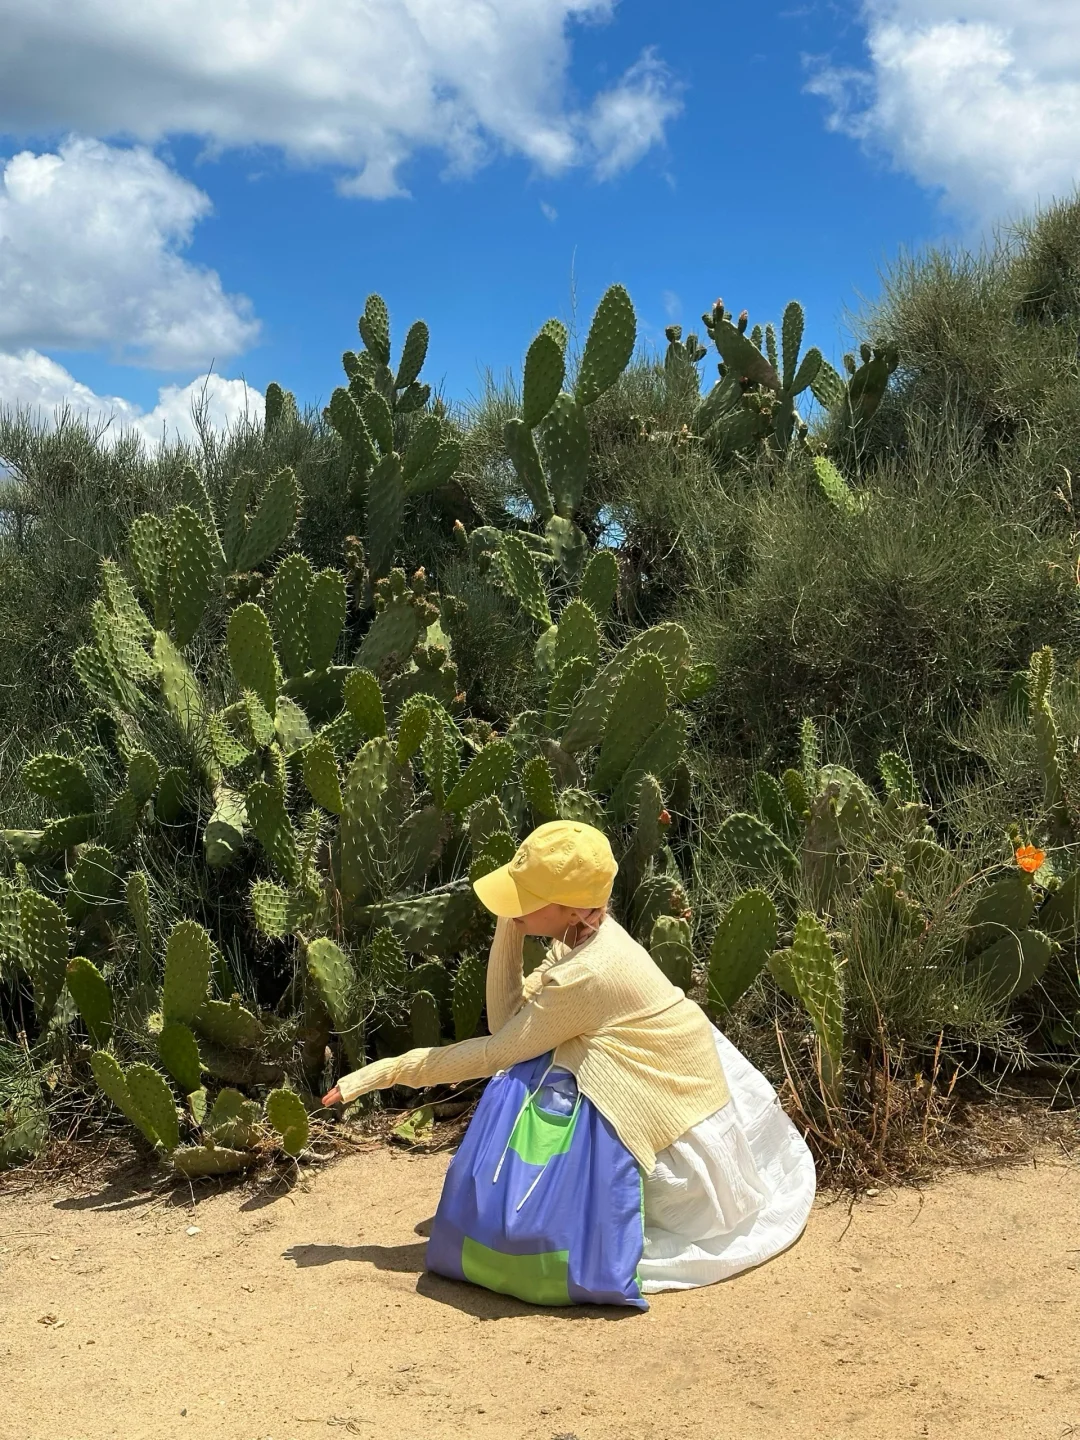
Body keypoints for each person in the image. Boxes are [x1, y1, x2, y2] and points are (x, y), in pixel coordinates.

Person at [322, 820, 816, 1292]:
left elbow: (497, 1050)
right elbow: (506, 1019)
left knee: (533, 1065)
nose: (513, 904)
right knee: (542, 1056)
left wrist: (383, 1073)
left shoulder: (588, 974)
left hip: (684, 1169)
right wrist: (512, 921)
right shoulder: (583, 937)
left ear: (574, 909)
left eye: (527, 897)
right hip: (678, 1108)